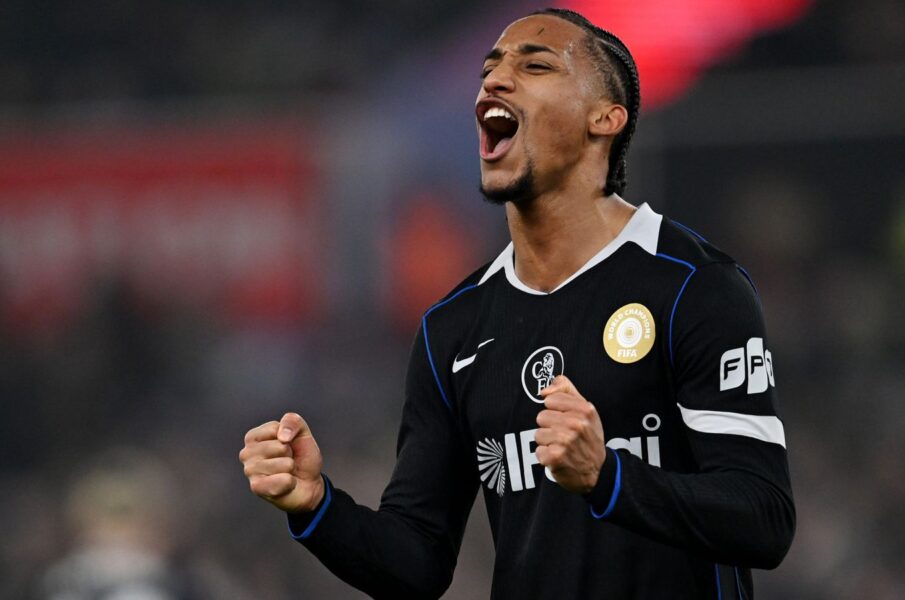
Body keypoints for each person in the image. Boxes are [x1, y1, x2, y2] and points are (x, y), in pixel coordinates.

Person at [239, 8, 794, 599]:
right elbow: (417, 561)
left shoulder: (692, 285)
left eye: (534, 65)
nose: (495, 81)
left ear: (604, 119)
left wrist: (608, 478)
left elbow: (762, 519)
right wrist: (317, 506)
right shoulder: (452, 328)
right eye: (490, 68)